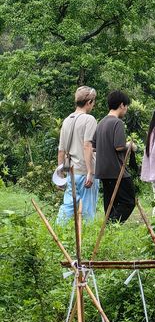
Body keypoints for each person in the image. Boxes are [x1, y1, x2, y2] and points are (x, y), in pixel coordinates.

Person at [56, 86, 99, 224]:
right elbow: (87, 146)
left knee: (68, 206)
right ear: (89, 102)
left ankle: (58, 231)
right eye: (94, 101)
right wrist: (90, 172)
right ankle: (86, 238)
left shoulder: (67, 120)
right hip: (85, 170)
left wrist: (60, 174)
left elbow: (61, 150)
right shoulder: (89, 119)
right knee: (87, 210)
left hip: (71, 171)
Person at [94, 90, 136, 223]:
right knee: (129, 201)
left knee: (110, 204)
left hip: (103, 171)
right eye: (126, 106)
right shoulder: (117, 123)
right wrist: (130, 145)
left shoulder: (101, 123)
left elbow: (94, 146)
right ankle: (111, 225)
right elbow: (119, 146)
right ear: (122, 105)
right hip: (117, 171)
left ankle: (108, 232)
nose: (126, 109)